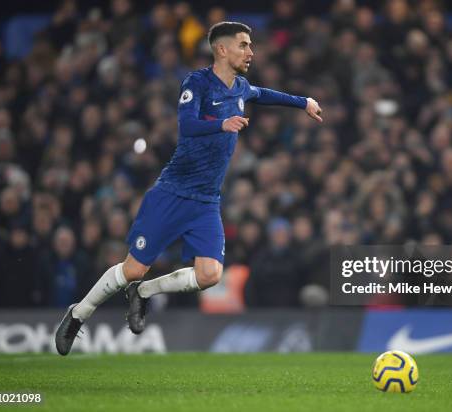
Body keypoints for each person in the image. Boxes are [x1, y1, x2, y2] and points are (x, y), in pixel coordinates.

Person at [55, 21, 323, 355]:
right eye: (244, 45)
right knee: (133, 268)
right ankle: (79, 313)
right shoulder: (197, 83)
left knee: (210, 275)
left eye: (251, 45)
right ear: (221, 49)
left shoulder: (241, 87)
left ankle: (145, 293)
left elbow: (264, 95)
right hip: (172, 192)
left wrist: (303, 102)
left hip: (206, 202)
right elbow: (186, 125)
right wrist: (220, 124)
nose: (251, 52)